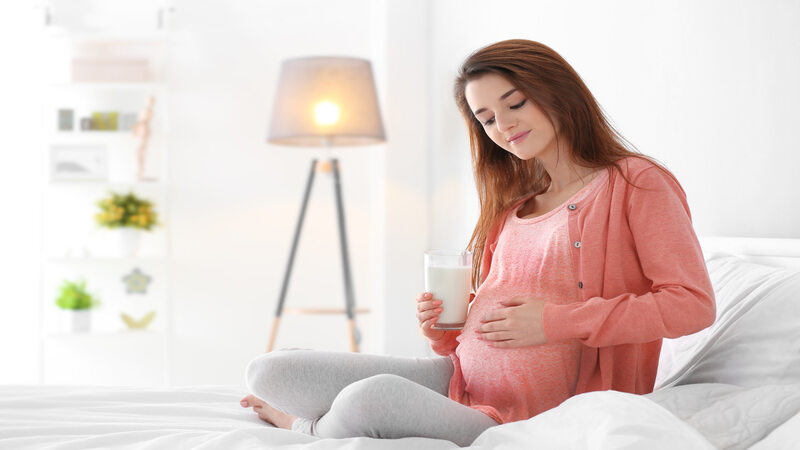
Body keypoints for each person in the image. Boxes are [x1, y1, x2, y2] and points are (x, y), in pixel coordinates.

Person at [240, 39, 716, 447]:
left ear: (558, 92)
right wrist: (444, 329)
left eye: (515, 103)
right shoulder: (515, 204)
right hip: (461, 381)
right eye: (487, 118)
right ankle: (342, 419)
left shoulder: (636, 183)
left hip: (534, 415)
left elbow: (692, 305)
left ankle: (305, 429)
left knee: (369, 397)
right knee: (271, 371)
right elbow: (481, 320)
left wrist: (556, 322)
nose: (503, 125)